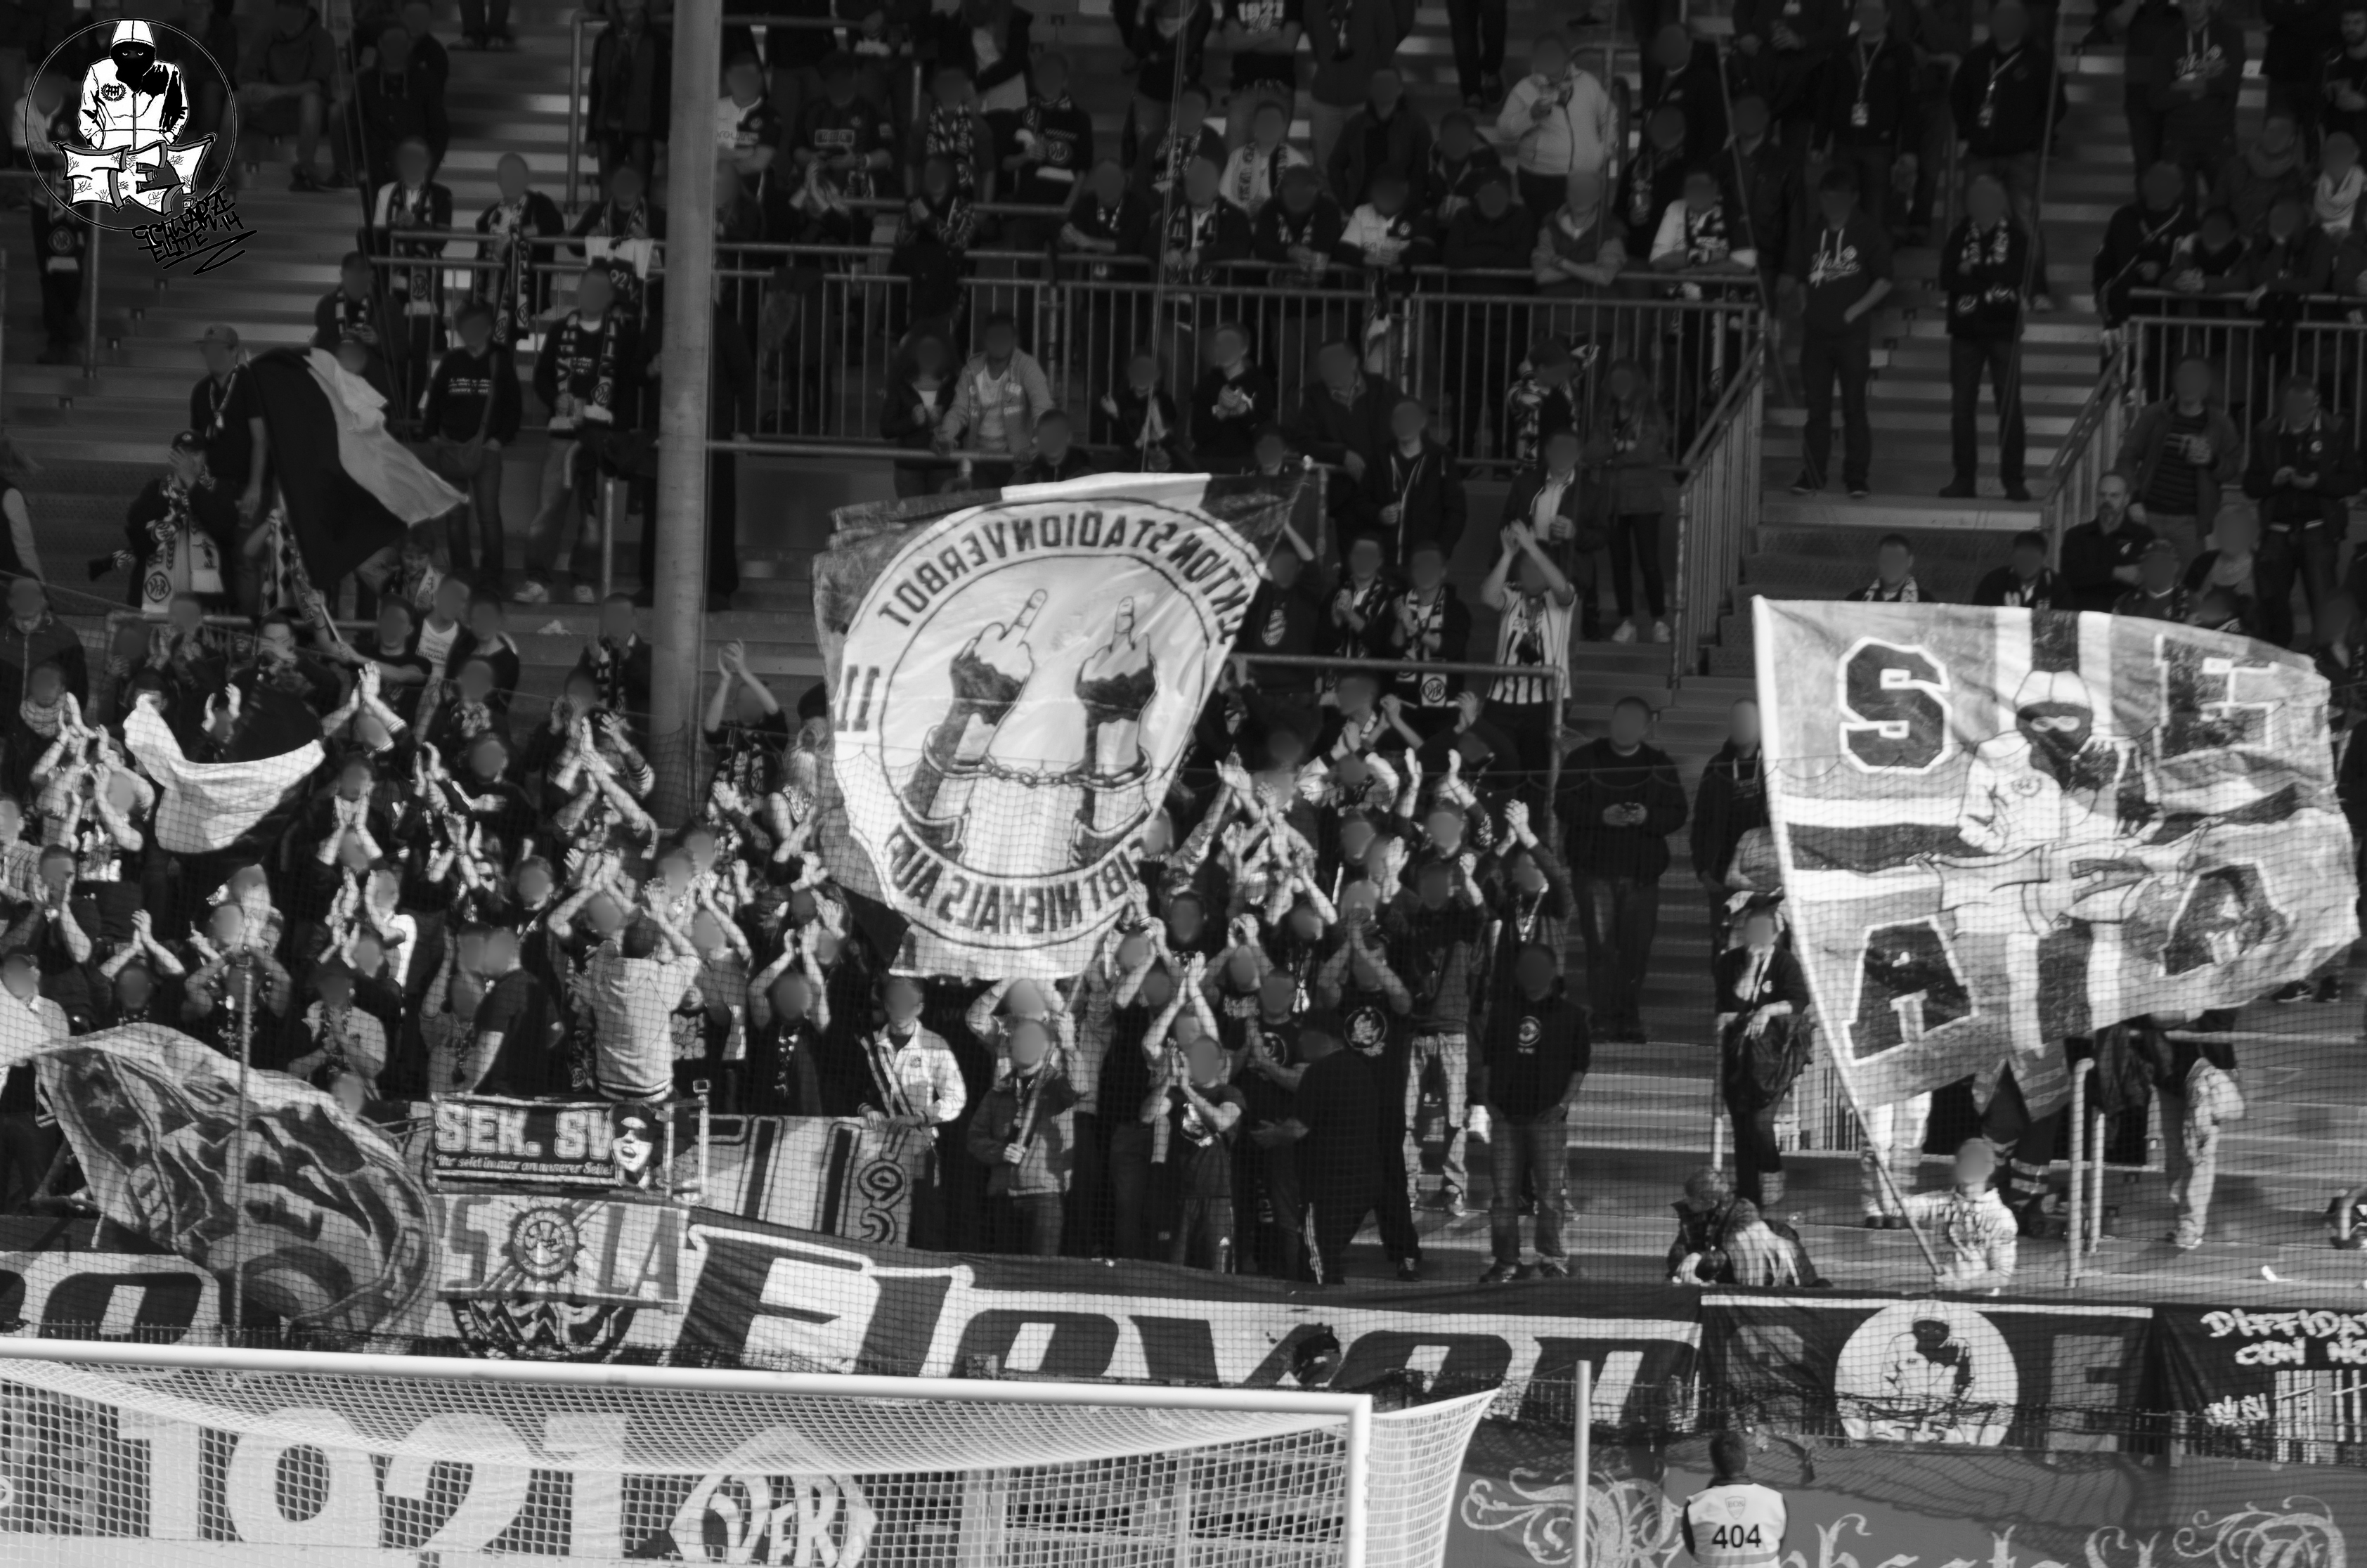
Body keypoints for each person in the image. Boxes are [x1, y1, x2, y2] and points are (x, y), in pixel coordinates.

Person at [1556, 696, 1687, 1046]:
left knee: (1635, 952)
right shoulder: (1584, 759)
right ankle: (1601, 1019)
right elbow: (1562, 804)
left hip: (1641, 877)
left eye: (1632, 722)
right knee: (1600, 949)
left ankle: (1629, 1019)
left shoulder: (1659, 765)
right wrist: (1601, 816)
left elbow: (1678, 813)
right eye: (1619, 719)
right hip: (1593, 872)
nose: (1624, 727)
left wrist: (1647, 817)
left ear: (1646, 728)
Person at [1474, 942, 1586, 1282]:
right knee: (1503, 1196)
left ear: (1552, 972)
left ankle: (1552, 1259)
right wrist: (1488, 1101)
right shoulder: (1502, 1011)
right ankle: (1506, 1261)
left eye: (1538, 966)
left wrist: (1563, 1104)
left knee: (1550, 1194)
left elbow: (1579, 1066)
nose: (1531, 973)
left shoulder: (1572, 1015)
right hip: (1506, 1118)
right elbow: (1488, 1060)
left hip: (1547, 1120)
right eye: (1526, 966)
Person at [1782, 167, 1892, 498]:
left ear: (1853, 199)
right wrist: (1805, 304)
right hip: (1816, 335)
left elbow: (1885, 279)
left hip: (1851, 336)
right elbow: (1799, 275)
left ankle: (1856, 477)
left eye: (1839, 199)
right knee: (1817, 409)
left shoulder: (1868, 231)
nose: (1833, 205)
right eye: (1827, 198)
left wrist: (1855, 311)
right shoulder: (1811, 233)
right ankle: (1812, 474)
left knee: (1854, 407)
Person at [1950, 0, 2062, 309]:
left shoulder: (2039, 60)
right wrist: (1970, 132)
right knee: (1972, 221)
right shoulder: (1976, 59)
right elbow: (1958, 99)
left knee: (2025, 222)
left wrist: (2033, 137)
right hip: (1981, 154)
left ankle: (2036, 290)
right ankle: (1967, 287)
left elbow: (2057, 104)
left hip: (2021, 156)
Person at [2244, 372, 2359, 647]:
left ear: (2316, 402)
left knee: (2324, 607)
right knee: (2272, 611)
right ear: (2283, 404)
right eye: (2293, 407)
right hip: (2276, 530)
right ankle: (2275, 660)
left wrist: (2317, 483)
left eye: (2306, 408)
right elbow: (2251, 485)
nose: (2300, 414)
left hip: (2319, 529)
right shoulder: (2266, 431)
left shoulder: (2335, 429)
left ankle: (2326, 662)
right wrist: (2274, 481)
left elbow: (2353, 481)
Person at [1713, 898, 1810, 1210]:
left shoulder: (1785, 962)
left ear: (1775, 934)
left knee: (1760, 1121)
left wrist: (1767, 1011)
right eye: (1752, 929)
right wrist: (1753, 966)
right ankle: (1748, 1197)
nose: (1757, 935)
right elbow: (1732, 1004)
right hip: (1738, 1055)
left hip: (1774, 1057)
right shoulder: (1729, 962)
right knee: (1741, 1125)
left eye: (1764, 930)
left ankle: (1772, 1170)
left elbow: (1798, 1002)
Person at [1939, 173, 2030, 501]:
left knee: (2009, 406)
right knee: (1962, 406)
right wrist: (1991, 279)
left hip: (2004, 329)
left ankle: (2014, 480)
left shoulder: (2016, 235)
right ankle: (1964, 478)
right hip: (1965, 331)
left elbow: (2015, 275)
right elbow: (1947, 278)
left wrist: (1975, 270)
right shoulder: (1960, 234)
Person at [419, 299, 521, 588]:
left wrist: (499, 440)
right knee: (455, 515)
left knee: (488, 516)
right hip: (452, 448)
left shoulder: (500, 361)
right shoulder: (452, 360)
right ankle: (461, 573)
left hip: (487, 450)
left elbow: (513, 406)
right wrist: (433, 435)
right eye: (465, 328)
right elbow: (435, 399)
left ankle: (492, 575)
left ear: (488, 329)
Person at [966, 1016, 1077, 1257]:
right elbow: (974, 1138)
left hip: (1044, 1196)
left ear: (1045, 1047)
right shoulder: (999, 1091)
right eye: (1019, 1040)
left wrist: (1069, 1044)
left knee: (1040, 1272)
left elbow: (1080, 1088)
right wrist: (1000, 1151)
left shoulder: (1057, 1085)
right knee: (1006, 1271)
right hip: (1003, 1195)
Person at [1481, 511, 1580, 778]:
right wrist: (1508, 555)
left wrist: (1531, 546)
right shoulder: (1513, 594)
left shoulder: (1559, 598)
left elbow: (1563, 590)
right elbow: (1488, 597)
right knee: (1498, 770)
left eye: (1538, 567)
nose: (1532, 572)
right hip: (1501, 699)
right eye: (1526, 567)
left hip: (1546, 701)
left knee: (1537, 774)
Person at [2115, 354, 2241, 564]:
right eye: (2183, 376)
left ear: (2205, 383)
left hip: (2190, 522)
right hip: (2147, 514)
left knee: (2192, 580)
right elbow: (2126, 457)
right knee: (2137, 574)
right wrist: (2133, 499)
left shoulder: (2220, 422)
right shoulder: (2154, 414)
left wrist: (2211, 460)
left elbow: (2233, 467)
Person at [1582, 358, 1673, 644]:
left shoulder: (1650, 413)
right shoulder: (1605, 414)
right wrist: (1620, 446)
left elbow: (1647, 453)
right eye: (1615, 381)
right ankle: (1627, 621)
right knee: (1619, 564)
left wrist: (1612, 458)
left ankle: (1659, 621)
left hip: (1644, 501)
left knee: (1649, 563)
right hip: (1612, 501)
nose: (1620, 386)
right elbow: (1589, 453)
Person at [1497, 32, 1616, 218]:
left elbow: (1609, 115)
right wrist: (1530, 116)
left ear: (1565, 56)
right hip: (1541, 179)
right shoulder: (1525, 88)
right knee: (1545, 230)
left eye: (1554, 53)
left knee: (1583, 229)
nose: (1549, 58)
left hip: (1584, 175)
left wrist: (1603, 151)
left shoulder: (1587, 82)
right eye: (1543, 54)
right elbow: (1504, 130)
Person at [934, 311, 1054, 487]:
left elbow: (1042, 407)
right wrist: (946, 436)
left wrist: (1036, 445)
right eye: (994, 338)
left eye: (1004, 338)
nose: (999, 343)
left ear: (1014, 340)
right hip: (978, 461)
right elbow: (959, 410)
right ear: (985, 340)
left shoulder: (1027, 366)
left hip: (1018, 461)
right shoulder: (972, 369)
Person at [242, 0, 348, 190]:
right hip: (274, 109)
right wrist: (254, 89)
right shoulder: (266, 36)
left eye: (293, 17)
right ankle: (218, 165)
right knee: (235, 99)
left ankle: (306, 168)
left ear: (305, 14)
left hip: (312, 113)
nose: (288, 22)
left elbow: (316, 85)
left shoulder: (322, 38)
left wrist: (277, 91)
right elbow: (249, 74)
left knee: (311, 100)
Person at [2153, 0, 2246, 203]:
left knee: (2225, 207)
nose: (2194, 5)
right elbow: (2157, 98)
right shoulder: (2167, 41)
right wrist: (2201, 89)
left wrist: (2183, 85)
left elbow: (2230, 83)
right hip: (2177, 136)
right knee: (2179, 208)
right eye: (2188, 1)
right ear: (2179, 4)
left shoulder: (2231, 34)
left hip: (2219, 133)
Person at [1306, 0, 1417, 171]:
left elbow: (1386, 45)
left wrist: (1368, 78)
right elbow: (1315, 43)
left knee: (1368, 171)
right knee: (1325, 172)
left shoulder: (1377, 3)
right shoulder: (1313, 3)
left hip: (1364, 100)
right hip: (1324, 98)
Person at [1690, 699, 1766, 945]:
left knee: (1762, 945)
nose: (1740, 724)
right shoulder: (1717, 766)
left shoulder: (1775, 763)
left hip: (1767, 878)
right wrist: (1703, 869)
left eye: (1747, 718)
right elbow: (1701, 821)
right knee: (1724, 947)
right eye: (1735, 718)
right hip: (1723, 877)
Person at [1902, 1139, 2018, 1290]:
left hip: (1979, 1301)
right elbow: (1892, 1209)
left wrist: (1959, 1285)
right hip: (1942, 1295)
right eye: (1963, 1159)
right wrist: (1875, 1168)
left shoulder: (2000, 1216)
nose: (1967, 1164)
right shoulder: (1939, 1202)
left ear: (1989, 1168)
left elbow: (2002, 1275)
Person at [2095, 162, 2198, 332]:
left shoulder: (2189, 224)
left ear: (2179, 188)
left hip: (2167, 321)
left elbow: (2194, 271)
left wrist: (2161, 271)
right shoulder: (2124, 217)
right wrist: (2106, 302)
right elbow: (2103, 263)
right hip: (2122, 316)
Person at [1363, 395, 1465, 565]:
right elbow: (1361, 502)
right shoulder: (1379, 458)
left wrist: (1439, 552)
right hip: (1384, 562)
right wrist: (1378, 514)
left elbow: (1456, 512)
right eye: (1399, 418)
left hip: (1425, 564)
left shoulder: (1442, 459)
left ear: (1422, 422)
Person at [1328, 67, 1432, 212]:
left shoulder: (1416, 124)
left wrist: (1409, 204)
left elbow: (1422, 170)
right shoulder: (1356, 124)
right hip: (1361, 206)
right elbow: (1335, 164)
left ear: (1400, 90)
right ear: (1370, 89)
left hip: (1401, 208)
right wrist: (1346, 200)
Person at [1680, 1431, 1788, 1568]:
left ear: (1714, 1466)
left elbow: (1694, 1549)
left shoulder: (1695, 1506)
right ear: (1747, 1461)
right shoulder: (1776, 1502)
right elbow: (1777, 1547)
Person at [2061, 471, 2158, 611]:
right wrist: (2117, 572)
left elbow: (2144, 577)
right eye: (2102, 495)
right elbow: (2071, 574)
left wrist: (2093, 575)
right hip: (2085, 612)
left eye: (2114, 496)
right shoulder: (2076, 535)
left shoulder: (2143, 536)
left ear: (2126, 500)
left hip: (2127, 614)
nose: (2106, 500)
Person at [1188, 322, 1277, 474]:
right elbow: (1197, 434)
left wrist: (1243, 412)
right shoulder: (1206, 384)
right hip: (1209, 463)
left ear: (1244, 349)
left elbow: (1265, 433)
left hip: (1247, 463)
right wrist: (1221, 412)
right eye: (1219, 345)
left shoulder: (1260, 383)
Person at [1219, 0, 1302, 146]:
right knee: (1236, 156)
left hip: (1279, 89)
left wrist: (1245, 38)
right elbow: (1231, 44)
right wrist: (1270, 34)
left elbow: (1288, 45)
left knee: (1273, 156)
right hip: (1243, 90)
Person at [1971, 530, 2063, 608]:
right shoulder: (1994, 582)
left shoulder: (2057, 587)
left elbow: (2066, 621)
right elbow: (1977, 619)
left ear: (2043, 560)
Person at [2116, 537, 2194, 618]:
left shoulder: (2191, 605)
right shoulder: (2124, 603)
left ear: (2176, 566)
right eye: (2150, 561)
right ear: (2142, 566)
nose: (2156, 567)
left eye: (2163, 561)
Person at [1847, 532, 1930, 602]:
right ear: (1879, 560)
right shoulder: (1857, 599)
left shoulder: (1925, 602)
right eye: (1886, 561)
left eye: (1897, 561)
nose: (1891, 567)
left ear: (1910, 562)